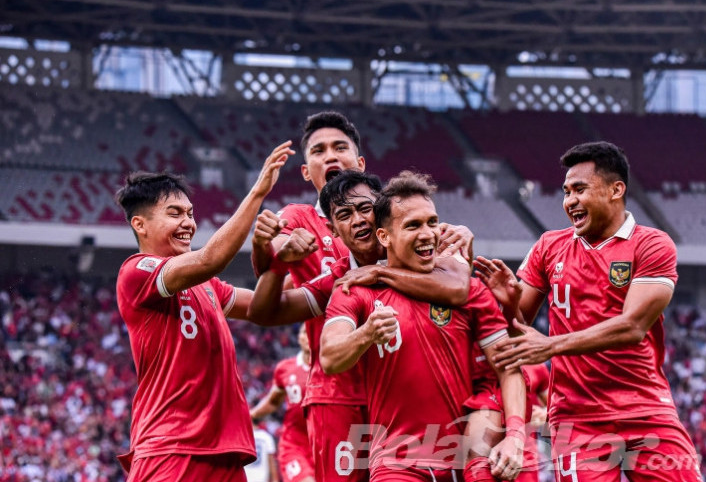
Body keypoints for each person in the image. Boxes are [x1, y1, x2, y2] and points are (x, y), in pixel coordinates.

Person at [251, 113, 472, 482]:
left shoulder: (417, 238)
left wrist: (385, 270)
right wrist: (274, 260)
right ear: (331, 227)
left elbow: (459, 283)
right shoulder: (337, 275)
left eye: (340, 147)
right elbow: (265, 307)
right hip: (340, 397)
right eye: (318, 151)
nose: (357, 220)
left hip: (413, 401)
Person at [473, 141, 702, 481]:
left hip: (646, 408)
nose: (570, 201)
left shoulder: (652, 244)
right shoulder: (549, 246)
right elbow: (518, 325)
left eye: (580, 189)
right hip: (577, 418)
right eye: (566, 192)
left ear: (615, 189)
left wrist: (551, 345)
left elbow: (633, 326)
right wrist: (507, 303)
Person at [319, 171, 527, 482]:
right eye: (413, 225)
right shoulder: (355, 290)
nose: (428, 233)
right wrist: (365, 335)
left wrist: (515, 437)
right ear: (384, 237)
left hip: (462, 464)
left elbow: (508, 369)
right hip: (396, 465)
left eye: (432, 222)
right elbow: (330, 357)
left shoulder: (467, 290)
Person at [113, 142, 294, 481]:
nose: (188, 223)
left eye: (190, 213)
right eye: (175, 213)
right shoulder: (137, 271)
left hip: (223, 451)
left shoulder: (206, 285)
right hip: (172, 448)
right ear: (140, 224)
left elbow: (262, 307)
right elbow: (211, 258)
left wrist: (330, 273)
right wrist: (257, 193)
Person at [251, 326, 315, 482]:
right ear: (299, 338)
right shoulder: (286, 368)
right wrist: (251, 415)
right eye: (303, 333)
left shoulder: (332, 367)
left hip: (324, 446)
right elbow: (273, 402)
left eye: (310, 332)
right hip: (294, 445)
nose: (307, 337)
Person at [516, 364, 550, 482]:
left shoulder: (535, 366)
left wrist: (544, 413)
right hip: (487, 451)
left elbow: (554, 403)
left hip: (526, 455)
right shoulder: (483, 366)